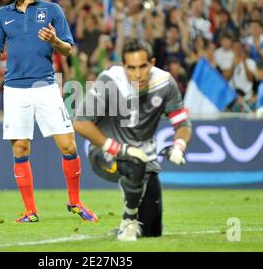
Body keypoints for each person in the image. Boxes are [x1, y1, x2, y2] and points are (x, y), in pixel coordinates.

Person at [0, 0, 97, 223]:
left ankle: (75, 202)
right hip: (14, 89)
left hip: (45, 86)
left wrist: (55, 41)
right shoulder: (2, 15)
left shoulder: (52, 11)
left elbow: (67, 49)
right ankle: (30, 211)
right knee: (21, 148)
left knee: (68, 144)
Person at [73, 39, 192, 241]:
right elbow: (81, 123)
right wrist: (119, 149)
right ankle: (128, 220)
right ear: (123, 65)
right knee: (133, 161)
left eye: (143, 66)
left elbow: (182, 123)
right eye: (131, 68)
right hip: (106, 152)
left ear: (152, 63)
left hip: (144, 155)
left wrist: (179, 147)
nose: (138, 74)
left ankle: (133, 222)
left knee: (151, 231)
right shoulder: (109, 80)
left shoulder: (165, 83)